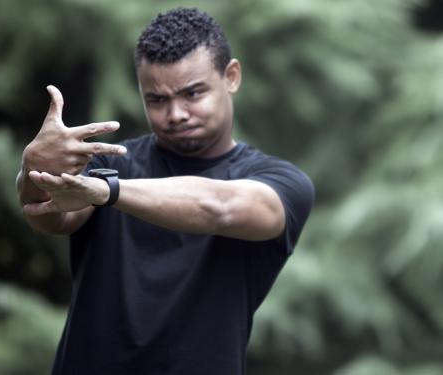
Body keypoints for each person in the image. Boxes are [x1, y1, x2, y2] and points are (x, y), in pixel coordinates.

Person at [16, 7, 314, 375]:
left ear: (232, 76)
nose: (176, 114)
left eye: (193, 93)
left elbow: (222, 207)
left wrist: (109, 192)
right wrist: (33, 168)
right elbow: (48, 214)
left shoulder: (281, 182)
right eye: (157, 99)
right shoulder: (114, 164)